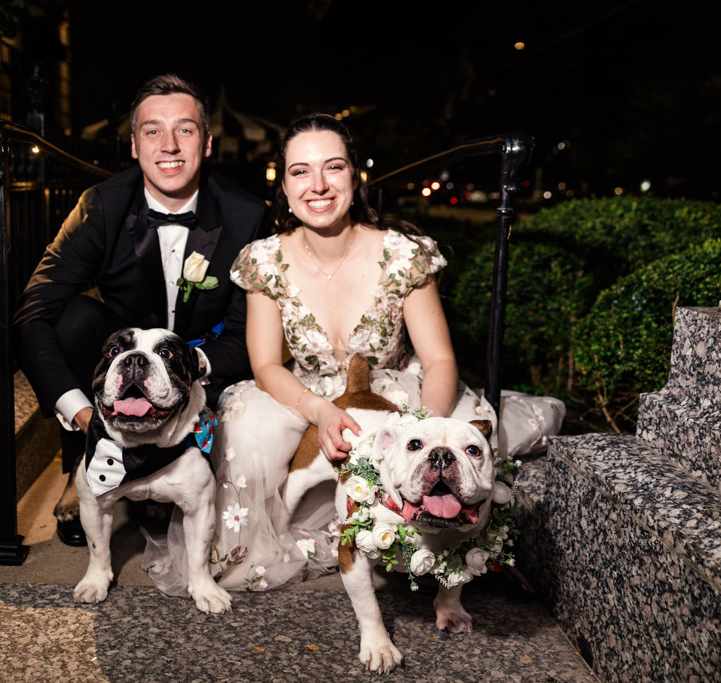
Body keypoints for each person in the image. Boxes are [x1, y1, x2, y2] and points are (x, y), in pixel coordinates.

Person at [142, 113, 564, 594]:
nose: (318, 185)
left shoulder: (404, 254)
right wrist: (320, 411)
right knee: (243, 417)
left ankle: (433, 544)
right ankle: (268, 540)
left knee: (463, 427)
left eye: (333, 167)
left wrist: (420, 431)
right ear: (284, 185)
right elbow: (264, 365)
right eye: (301, 171)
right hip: (306, 390)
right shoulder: (264, 260)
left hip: (392, 386)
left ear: (355, 176)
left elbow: (441, 361)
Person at [14, 74, 270, 546]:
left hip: (203, 365)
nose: (169, 145)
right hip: (120, 367)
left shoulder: (246, 215)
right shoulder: (101, 207)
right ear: (134, 145)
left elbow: (248, 333)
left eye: (185, 130)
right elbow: (33, 314)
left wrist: (195, 370)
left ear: (208, 142)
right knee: (73, 320)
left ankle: (175, 470)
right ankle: (82, 463)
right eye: (153, 130)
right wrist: (81, 413)